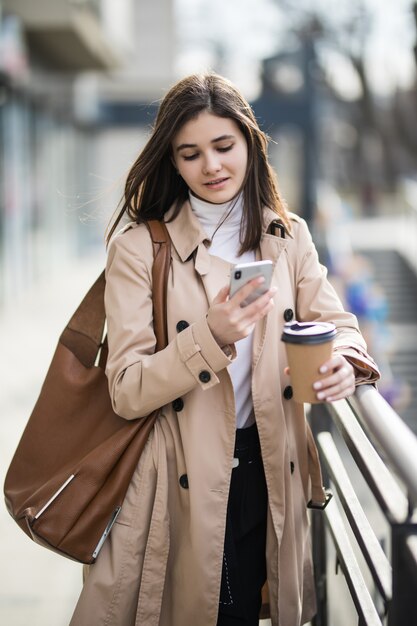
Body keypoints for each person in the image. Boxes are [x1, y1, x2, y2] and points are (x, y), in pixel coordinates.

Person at [69, 73, 380, 626]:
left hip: (274, 465)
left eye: (223, 146)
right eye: (190, 154)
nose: (211, 166)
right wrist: (209, 337)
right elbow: (126, 390)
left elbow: (338, 322)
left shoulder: (289, 236)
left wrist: (347, 363)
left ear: (249, 146)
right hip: (187, 476)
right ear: (173, 161)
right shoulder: (139, 249)